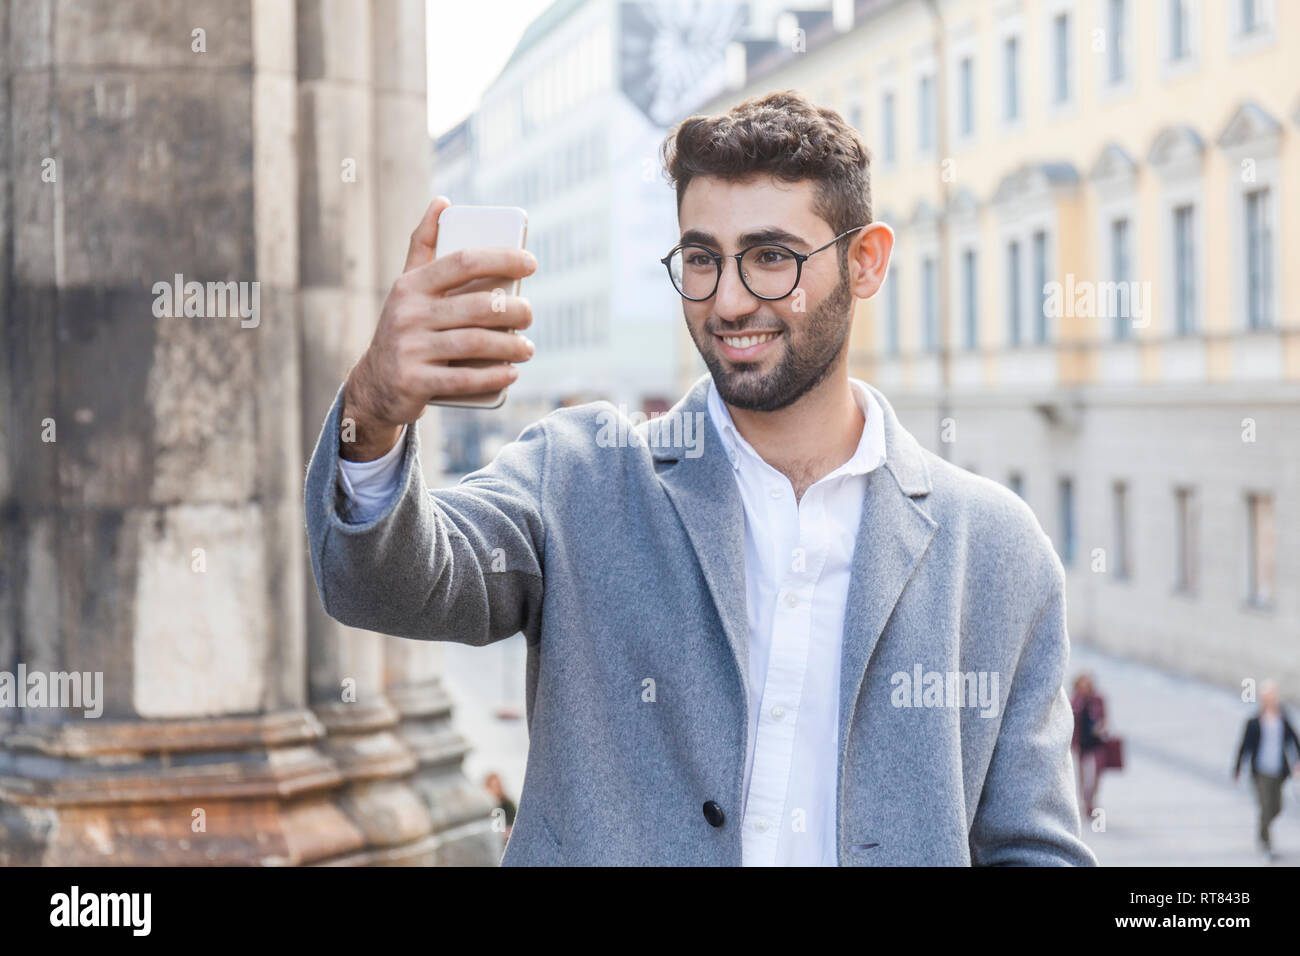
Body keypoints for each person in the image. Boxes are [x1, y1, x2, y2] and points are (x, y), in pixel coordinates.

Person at [304, 90, 1096, 866]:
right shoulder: (582, 476)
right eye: (701, 259)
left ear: (865, 262)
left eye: (771, 258)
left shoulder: (994, 549)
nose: (727, 300)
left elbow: (1034, 848)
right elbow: (384, 584)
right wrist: (372, 413)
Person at [1233, 680, 1300, 859]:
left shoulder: (1282, 721)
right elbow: (1244, 746)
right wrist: (1238, 768)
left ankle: (1263, 828)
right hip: (1260, 771)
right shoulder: (1254, 723)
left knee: (1276, 807)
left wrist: (1297, 762)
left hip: (1278, 771)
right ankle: (1266, 843)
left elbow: (1293, 741)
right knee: (1265, 806)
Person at [1070, 673, 1107, 820]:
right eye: (1081, 684)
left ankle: (1092, 799)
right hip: (1081, 743)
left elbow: (1104, 718)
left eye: (1086, 684)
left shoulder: (1098, 700)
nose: (1084, 687)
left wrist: (1103, 729)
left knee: (1096, 773)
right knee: (1083, 775)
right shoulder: (1075, 701)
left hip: (1096, 742)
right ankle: (1086, 802)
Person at [484, 772, 517, 843]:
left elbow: (516, 823)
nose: (497, 789)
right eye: (494, 786)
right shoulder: (485, 807)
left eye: (498, 785)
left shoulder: (507, 804)